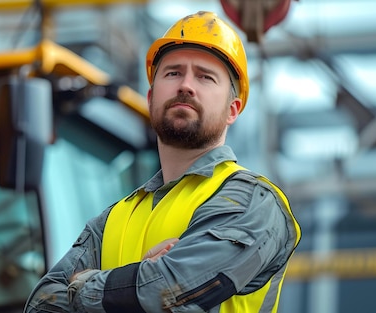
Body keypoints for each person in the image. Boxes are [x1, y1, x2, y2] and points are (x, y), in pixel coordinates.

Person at [24, 11, 301, 313]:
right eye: (173, 73)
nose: (186, 85)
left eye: (205, 77)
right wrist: (139, 282)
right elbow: (41, 304)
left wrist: (85, 286)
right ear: (152, 97)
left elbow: (169, 288)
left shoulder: (254, 203)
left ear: (232, 110)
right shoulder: (112, 220)